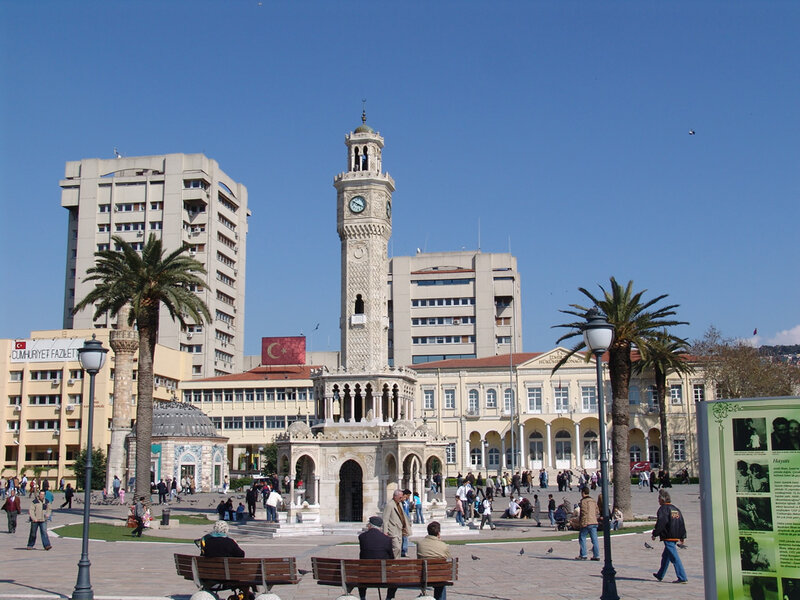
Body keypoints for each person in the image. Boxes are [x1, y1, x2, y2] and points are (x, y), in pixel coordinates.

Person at [651, 489, 688, 583]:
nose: (658, 500)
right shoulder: (675, 509)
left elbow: (661, 523)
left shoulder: (663, 509)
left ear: (662, 499)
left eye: (659, 498)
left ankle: (682, 577)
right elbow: (681, 522)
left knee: (674, 557)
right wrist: (682, 535)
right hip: (675, 535)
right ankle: (660, 574)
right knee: (666, 556)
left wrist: (655, 533)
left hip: (668, 535)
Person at [358, 516, 395, 600]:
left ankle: (363, 597)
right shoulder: (387, 539)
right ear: (380, 527)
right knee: (395, 577)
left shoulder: (362, 537)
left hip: (366, 573)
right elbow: (391, 557)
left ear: (370, 525)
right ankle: (388, 598)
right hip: (382, 573)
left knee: (361, 574)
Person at [415, 521, 451, 600]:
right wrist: (440, 541)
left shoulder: (420, 544)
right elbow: (448, 558)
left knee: (437, 577)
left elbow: (418, 557)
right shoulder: (443, 545)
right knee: (441, 581)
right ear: (438, 533)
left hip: (424, 576)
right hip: (438, 576)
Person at [382, 489, 411, 558]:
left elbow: (402, 515)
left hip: (400, 530)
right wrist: (385, 531)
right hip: (393, 530)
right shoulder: (390, 505)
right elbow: (385, 519)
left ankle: (397, 563)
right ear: (395, 496)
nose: (401, 499)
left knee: (399, 549)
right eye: (400, 497)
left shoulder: (400, 504)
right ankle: (393, 562)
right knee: (396, 547)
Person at [575, 487, 600, 561]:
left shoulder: (583, 501)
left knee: (582, 538)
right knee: (594, 540)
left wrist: (583, 523)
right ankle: (596, 555)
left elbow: (584, 513)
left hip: (586, 522)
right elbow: (597, 511)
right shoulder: (593, 501)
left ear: (583, 493)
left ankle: (583, 554)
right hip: (594, 522)